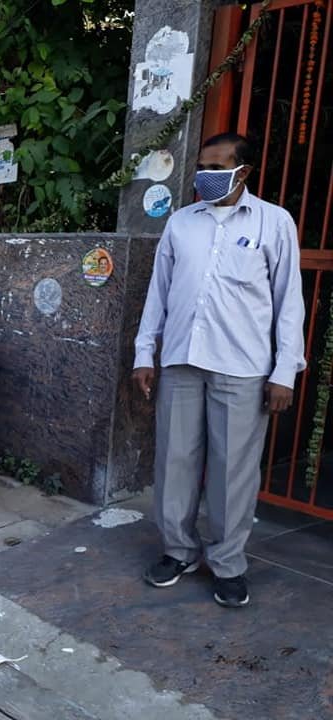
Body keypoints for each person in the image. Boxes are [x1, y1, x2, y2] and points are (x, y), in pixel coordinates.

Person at [133, 133, 305, 609]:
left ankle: (228, 563)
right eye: (201, 166)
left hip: (243, 366)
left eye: (216, 166)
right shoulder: (181, 223)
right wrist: (144, 354)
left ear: (243, 172)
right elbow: (159, 294)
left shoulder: (275, 222)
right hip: (183, 361)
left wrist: (284, 371)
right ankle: (178, 551)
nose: (204, 175)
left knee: (234, 472)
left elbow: (289, 301)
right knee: (174, 461)